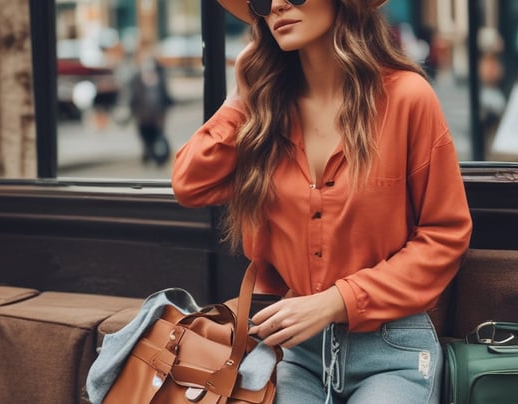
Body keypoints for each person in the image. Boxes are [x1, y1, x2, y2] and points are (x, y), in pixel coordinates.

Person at [171, 0, 473, 403]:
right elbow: (189, 184)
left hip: (392, 350)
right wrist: (239, 99)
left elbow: (445, 234)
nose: (277, 5)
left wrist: (336, 301)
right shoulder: (266, 110)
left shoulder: (406, 98)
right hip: (297, 355)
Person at [128, 40, 174, 166]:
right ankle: (148, 153)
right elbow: (133, 94)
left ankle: (157, 157)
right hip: (142, 113)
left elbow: (163, 91)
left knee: (157, 134)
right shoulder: (136, 75)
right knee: (145, 135)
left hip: (157, 112)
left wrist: (168, 102)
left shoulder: (159, 72)